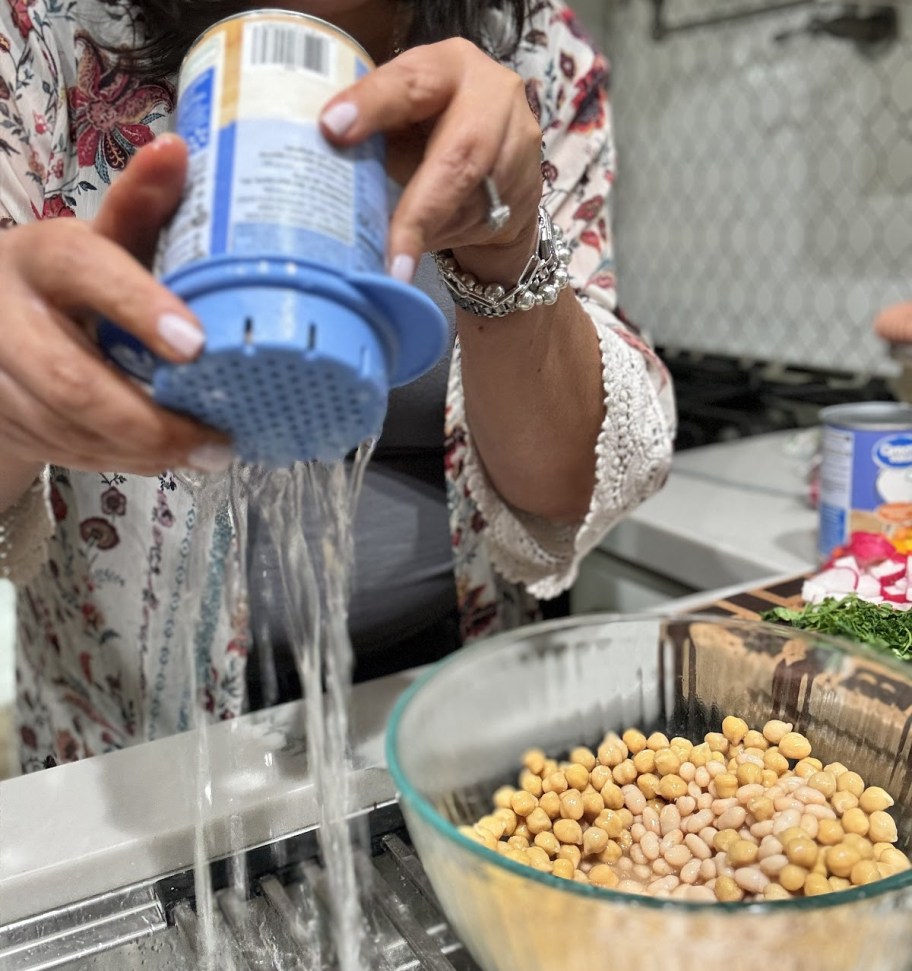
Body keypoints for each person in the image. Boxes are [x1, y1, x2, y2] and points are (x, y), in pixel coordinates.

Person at [0, 0, 676, 772]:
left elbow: (564, 489)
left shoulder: (535, 52)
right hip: (130, 746)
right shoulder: (40, 37)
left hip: (452, 711)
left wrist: (510, 248)